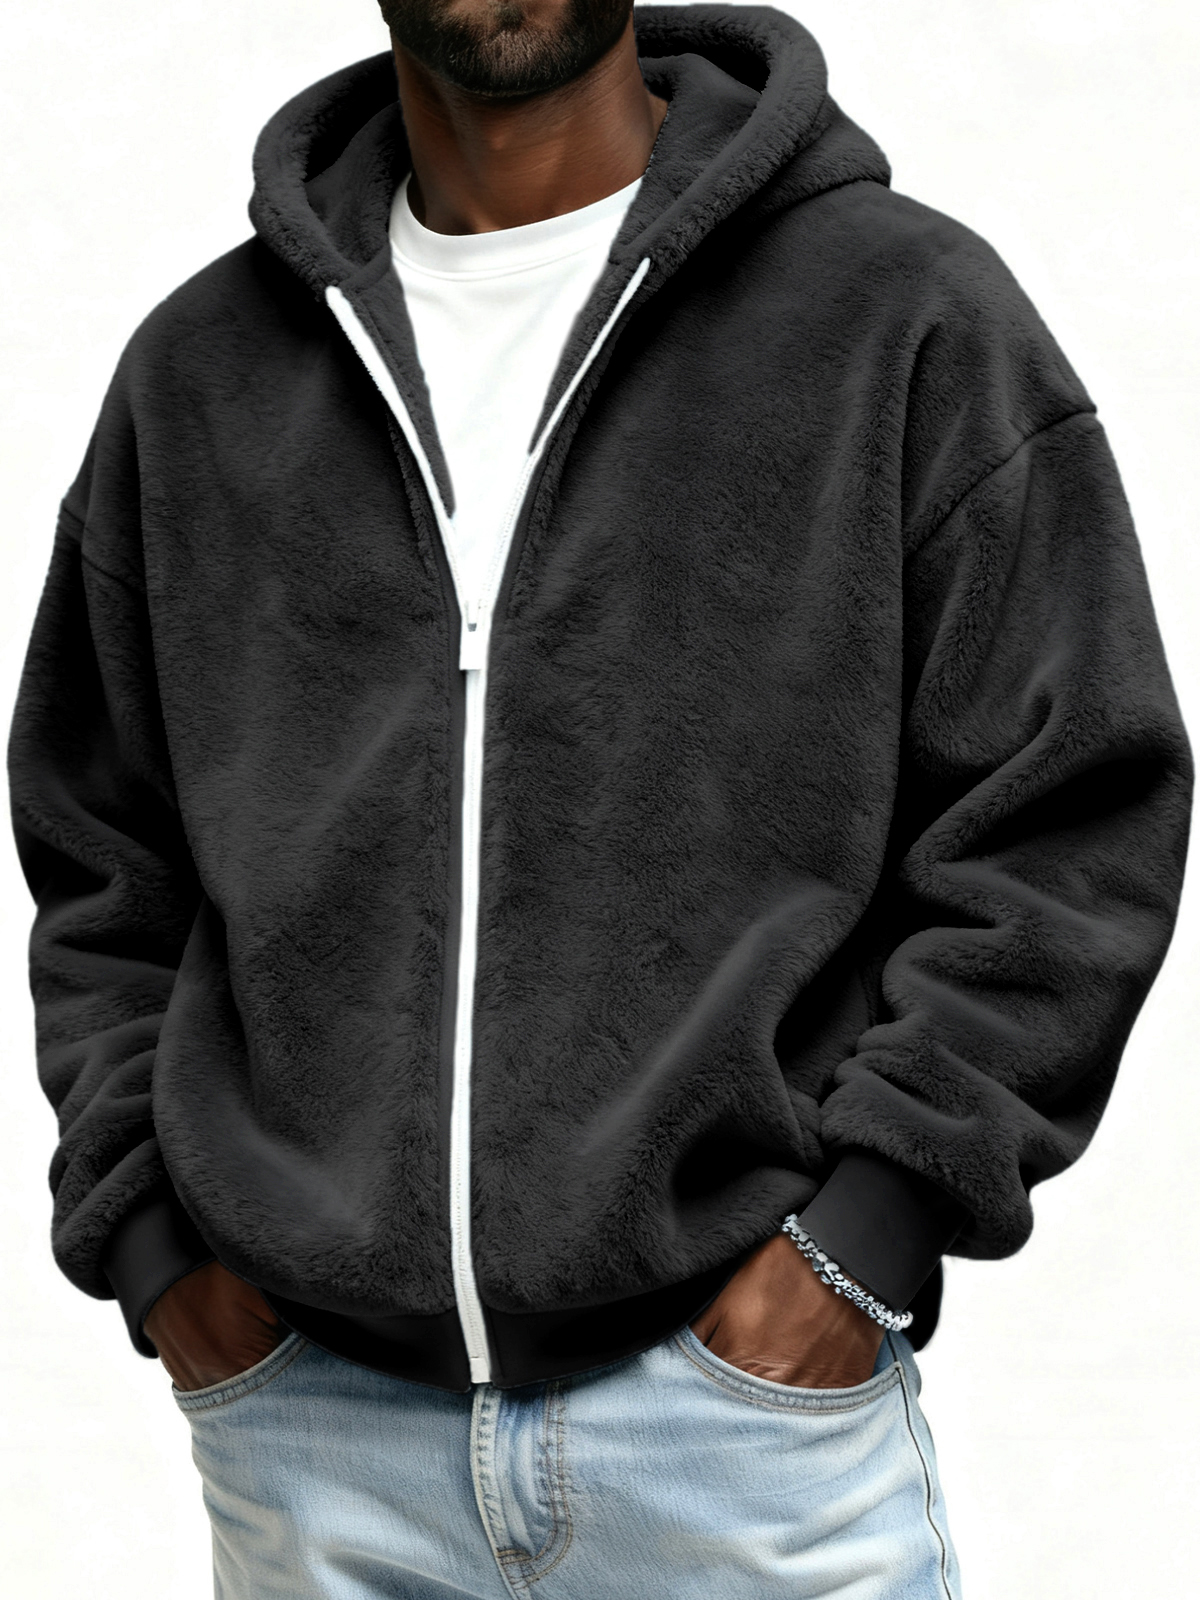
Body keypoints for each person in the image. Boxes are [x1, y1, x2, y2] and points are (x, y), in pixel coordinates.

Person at [7, 1, 1190, 1595]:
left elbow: (1072, 811)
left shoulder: (898, 314)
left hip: (738, 1436)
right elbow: (102, 857)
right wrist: (159, 1249)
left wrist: (872, 1229)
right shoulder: (201, 377)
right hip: (313, 1446)